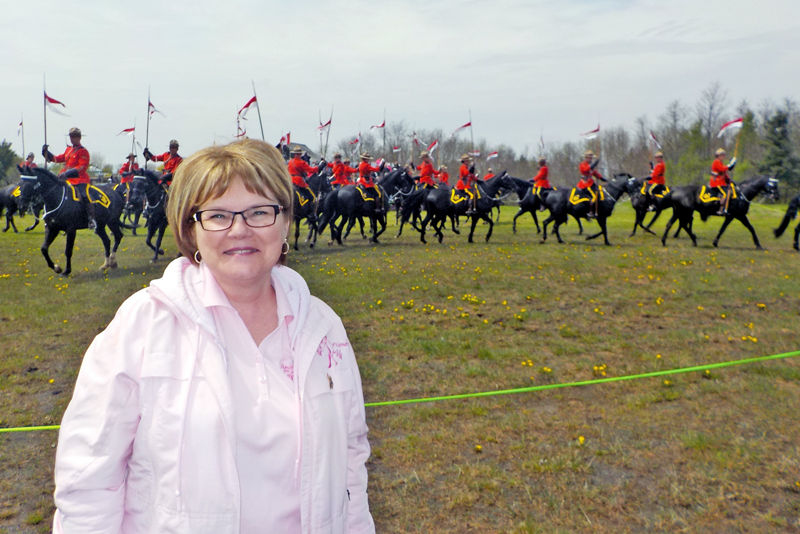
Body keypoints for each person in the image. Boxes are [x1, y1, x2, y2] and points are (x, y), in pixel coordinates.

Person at [52, 139, 375, 534]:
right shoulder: (141, 324)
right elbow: (88, 480)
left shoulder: (324, 326)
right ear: (191, 230)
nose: (240, 229)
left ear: (286, 221)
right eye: (218, 215)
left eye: (260, 211)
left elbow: (350, 465)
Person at [42, 127, 96, 230]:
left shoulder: (83, 151)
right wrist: (46, 153)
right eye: (71, 137)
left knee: (84, 195)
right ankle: (50, 217)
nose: (72, 139)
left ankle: (91, 218)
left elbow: (82, 167)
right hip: (65, 179)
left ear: (79, 138)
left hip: (79, 179)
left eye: (75, 137)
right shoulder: (68, 150)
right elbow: (57, 159)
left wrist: (68, 173)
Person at [577, 150, 605, 218]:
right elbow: (586, 170)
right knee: (594, 196)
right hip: (585, 184)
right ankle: (590, 211)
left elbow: (594, 173)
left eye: (591, 158)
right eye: (590, 158)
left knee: (600, 193)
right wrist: (594, 164)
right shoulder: (582, 165)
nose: (591, 159)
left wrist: (601, 178)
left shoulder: (590, 165)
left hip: (591, 183)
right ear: (586, 158)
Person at [708, 147, 736, 215]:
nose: (724, 157)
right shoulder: (716, 162)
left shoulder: (720, 162)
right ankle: (721, 209)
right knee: (726, 194)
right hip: (717, 183)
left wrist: (729, 180)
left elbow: (724, 174)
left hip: (722, 183)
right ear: (719, 156)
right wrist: (730, 165)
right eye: (723, 155)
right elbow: (722, 169)